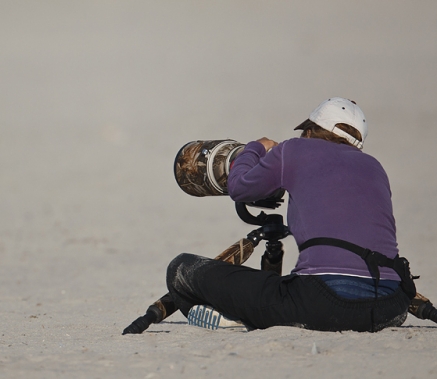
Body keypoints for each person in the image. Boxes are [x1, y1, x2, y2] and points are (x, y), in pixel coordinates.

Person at [165, 97, 415, 332]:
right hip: (391, 305)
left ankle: (233, 319)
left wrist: (254, 149)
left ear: (310, 131)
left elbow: (239, 187)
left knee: (182, 269)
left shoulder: (295, 150)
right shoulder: (375, 167)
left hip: (325, 302)